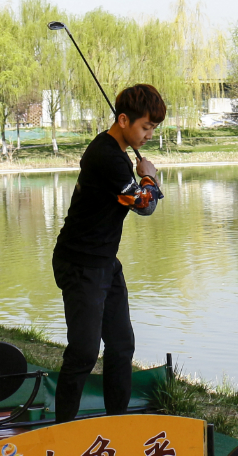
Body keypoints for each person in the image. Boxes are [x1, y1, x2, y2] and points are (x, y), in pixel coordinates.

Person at [50, 84, 166, 424]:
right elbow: (144, 206)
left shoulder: (115, 152)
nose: (148, 135)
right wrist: (150, 177)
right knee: (84, 352)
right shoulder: (108, 157)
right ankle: (62, 431)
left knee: (121, 346)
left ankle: (118, 424)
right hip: (79, 264)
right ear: (123, 119)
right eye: (145, 127)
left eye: (153, 129)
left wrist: (141, 178)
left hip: (104, 264)